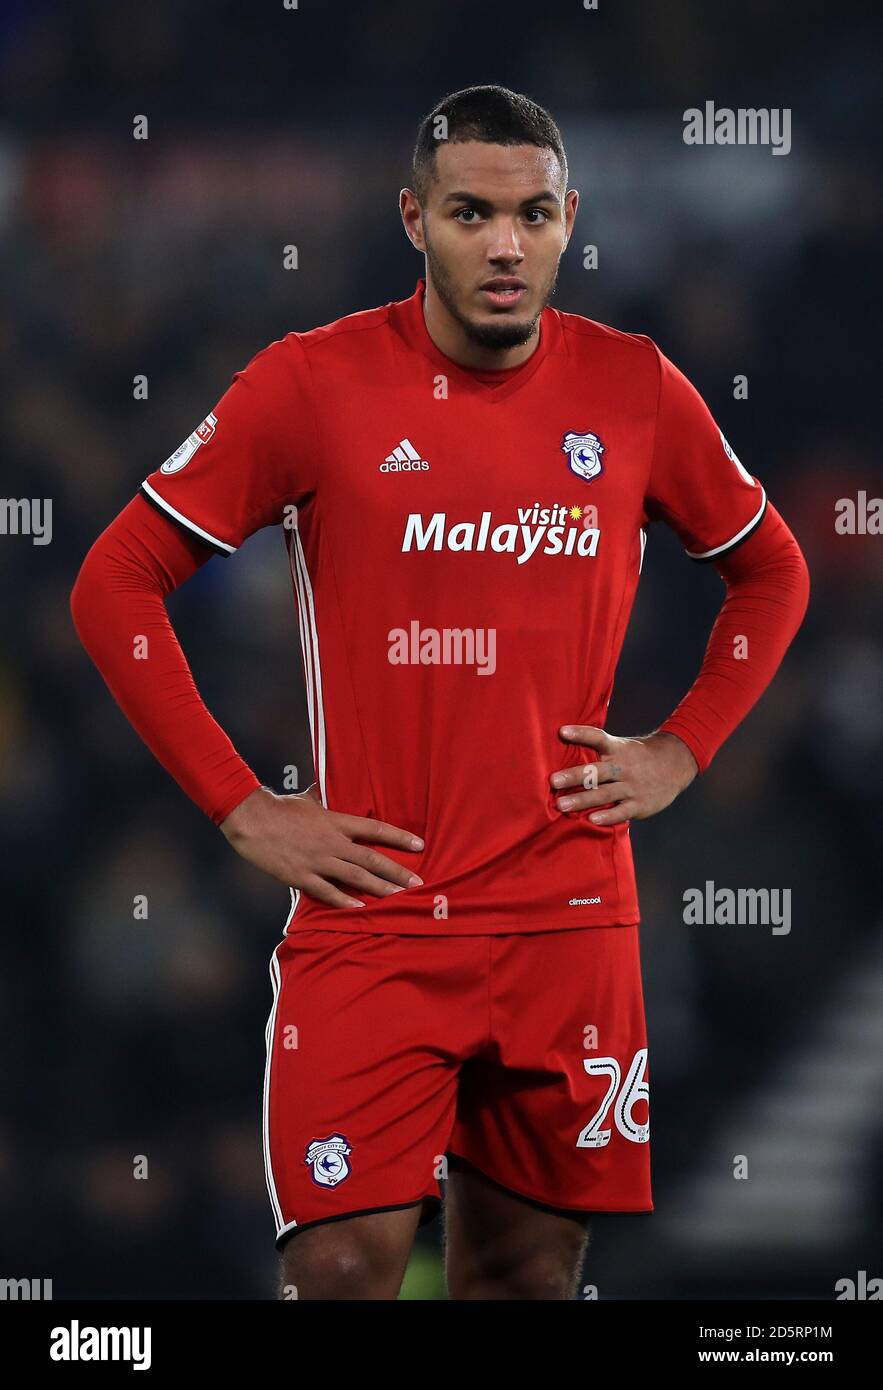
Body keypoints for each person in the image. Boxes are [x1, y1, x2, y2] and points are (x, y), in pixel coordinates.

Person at [70, 84, 810, 1300]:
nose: (505, 245)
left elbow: (771, 565)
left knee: (525, 1273)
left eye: (531, 214)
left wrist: (682, 749)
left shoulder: (633, 388)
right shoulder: (311, 383)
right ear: (414, 218)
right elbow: (115, 583)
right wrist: (242, 805)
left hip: (568, 917)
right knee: (346, 1268)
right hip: (377, 915)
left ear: (571, 218)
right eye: (471, 212)